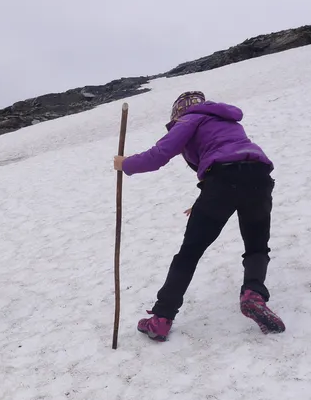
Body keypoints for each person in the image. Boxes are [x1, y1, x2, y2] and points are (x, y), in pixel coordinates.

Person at [113, 91, 286, 342]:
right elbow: (232, 158)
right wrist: (205, 200)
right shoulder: (227, 120)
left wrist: (125, 164)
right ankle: (253, 294)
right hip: (259, 178)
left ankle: (161, 319)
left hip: (223, 182)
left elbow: (159, 154)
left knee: (189, 252)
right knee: (257, 245)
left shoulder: (188, 119)